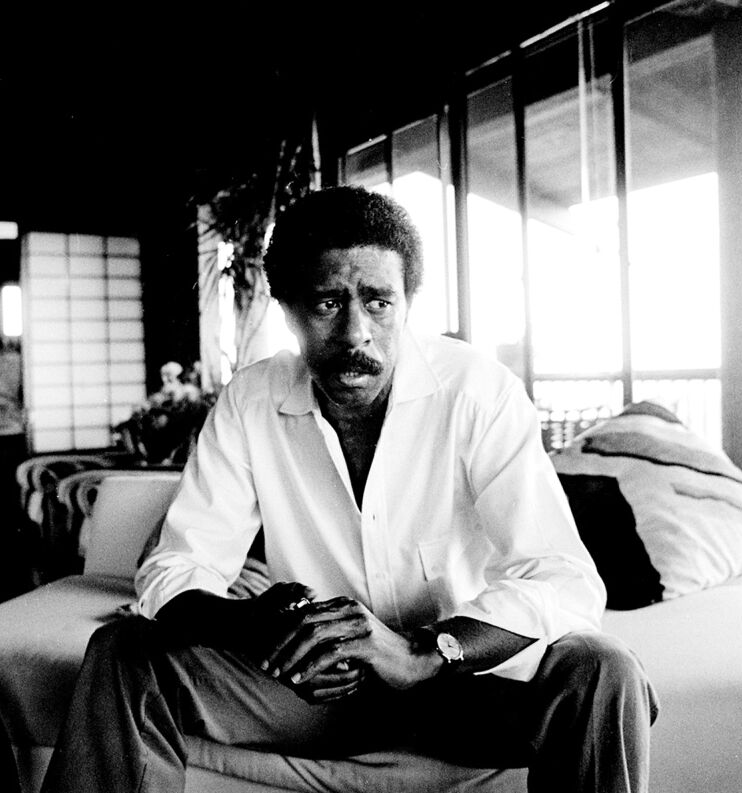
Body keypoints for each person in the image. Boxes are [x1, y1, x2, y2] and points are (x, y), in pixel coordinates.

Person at [41, 185, 658, 793]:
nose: (355, 333)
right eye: (327, 303)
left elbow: (562, 579)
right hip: (312, 692)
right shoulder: (251, 400)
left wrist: (423, 653)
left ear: (408, 303)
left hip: (460, 688)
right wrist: (256, 625)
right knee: (124, 649)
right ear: (287, 310)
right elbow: (173, 568)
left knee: (603, 668)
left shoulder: (478, 393)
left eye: (379, 302)